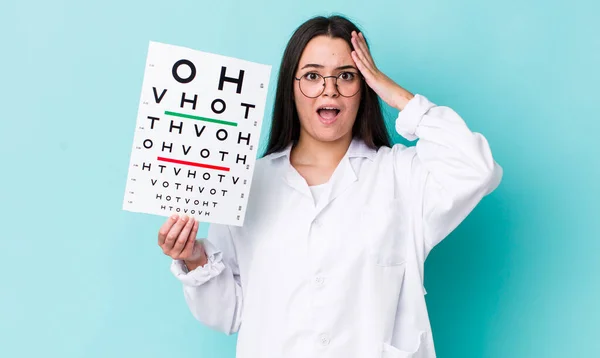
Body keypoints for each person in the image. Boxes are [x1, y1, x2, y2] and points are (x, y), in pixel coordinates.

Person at [157, 14, 502, 358]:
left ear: (365, 85)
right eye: (312, 76)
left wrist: (396, 94)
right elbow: (227, 314)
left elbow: (478, 169)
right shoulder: (246, 183)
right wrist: (195, 259)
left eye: (347, 76)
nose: (330, 89)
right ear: (290, 87)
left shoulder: (401, 175)